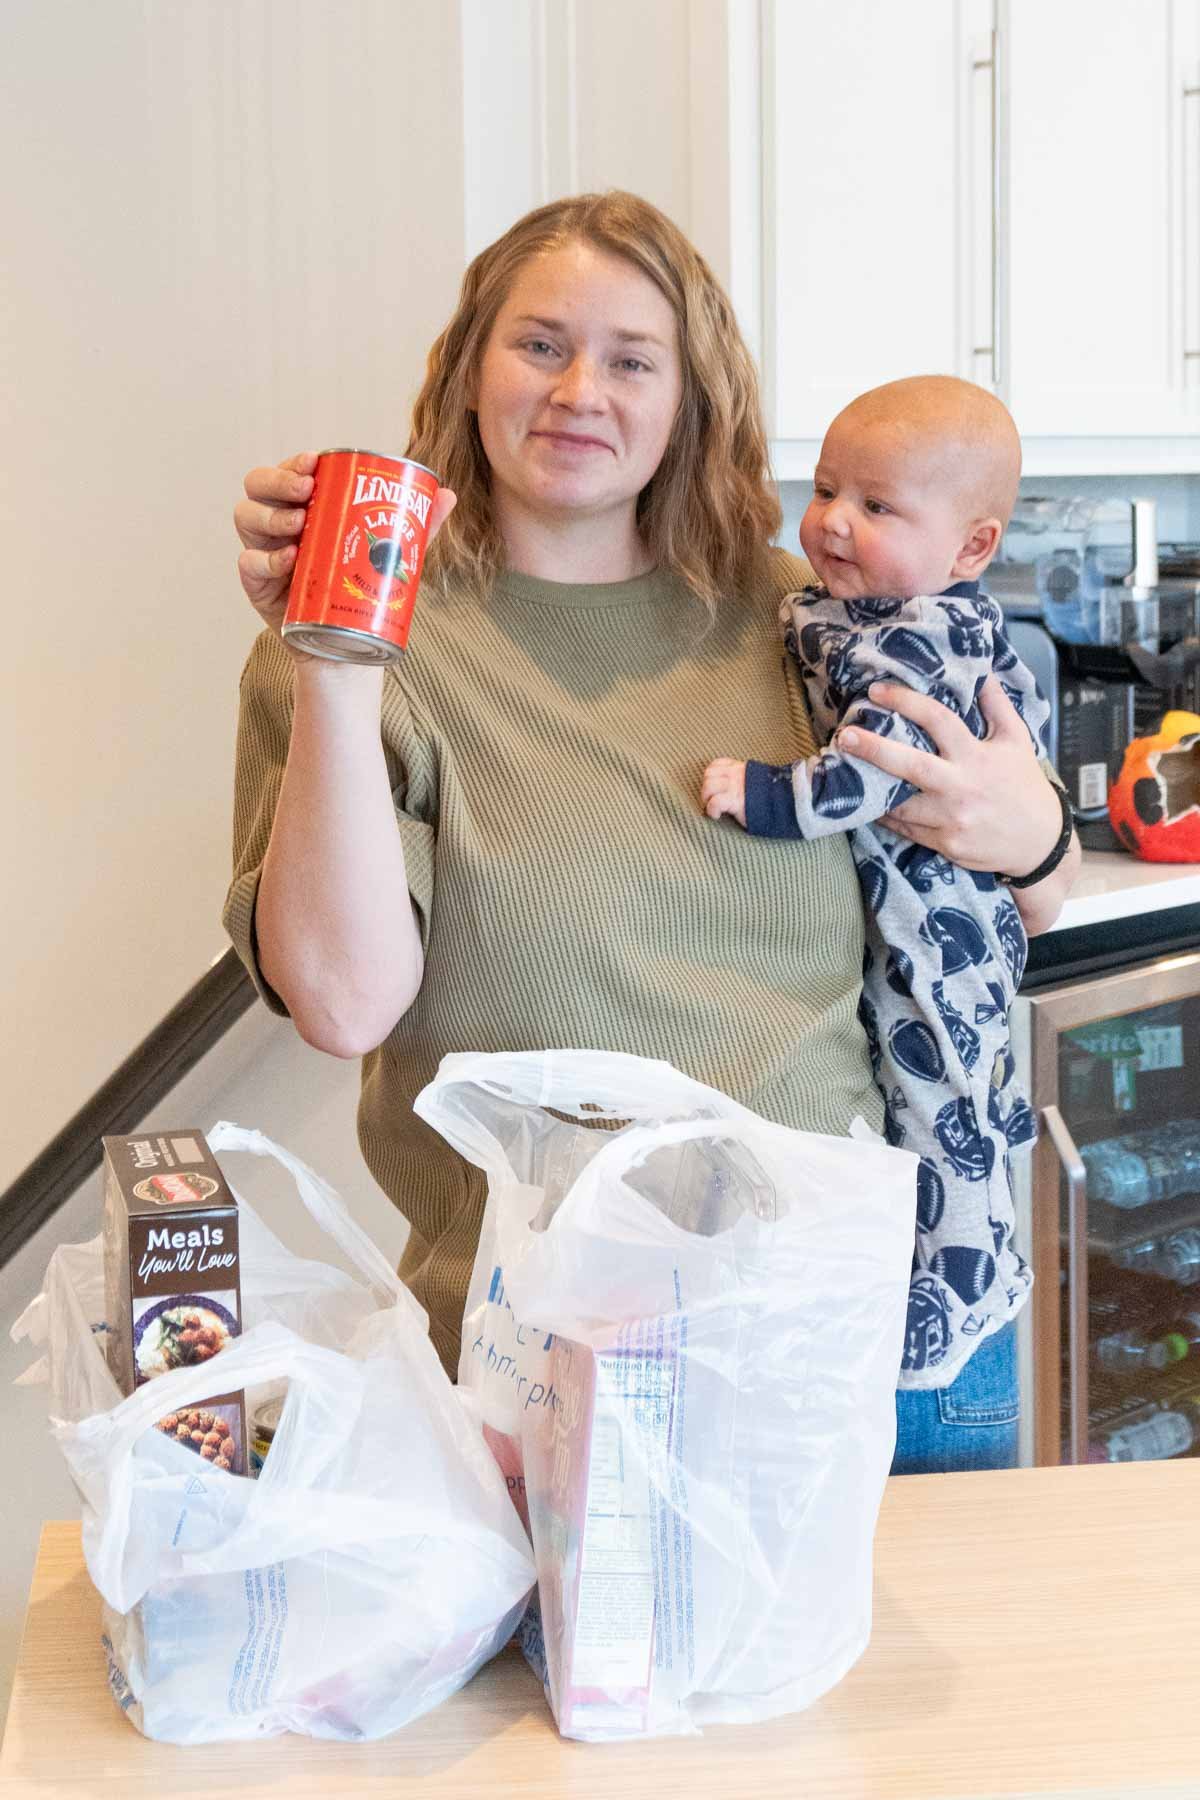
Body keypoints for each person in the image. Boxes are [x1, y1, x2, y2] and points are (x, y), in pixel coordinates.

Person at [226, 192, 1079, 1476]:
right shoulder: (371, 649)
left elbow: (1022, 898)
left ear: (690, 398)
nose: (582, 391)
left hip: (862, 1343)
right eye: (540, 344)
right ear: (469, 367)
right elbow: (346, 1003)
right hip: (545, 1386)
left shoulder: (805, 621)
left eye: (633, 360)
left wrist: (1039, 839)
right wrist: (338, 657)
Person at [701, 376, 1073, 1406]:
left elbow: (873, 770)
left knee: (944, 1105)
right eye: (824, 490)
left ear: (971, 550)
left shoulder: (921, 634)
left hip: (937, 931)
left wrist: (769, 796)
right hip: (917, 920)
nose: (831, 521)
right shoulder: (845, 609)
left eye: (876, 506)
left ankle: (942, 1319)